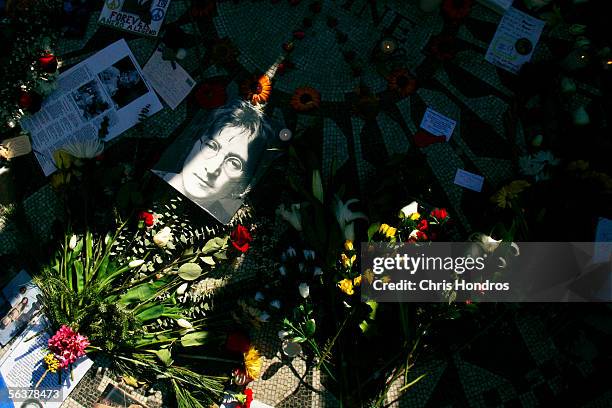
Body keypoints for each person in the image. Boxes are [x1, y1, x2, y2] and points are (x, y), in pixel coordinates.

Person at [153, 99, 272, 223]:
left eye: (234, 163)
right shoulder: (147, 181)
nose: (212, 169)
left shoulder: (222, 222)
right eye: (211, 146)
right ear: (194, 141)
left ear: (246, 178)